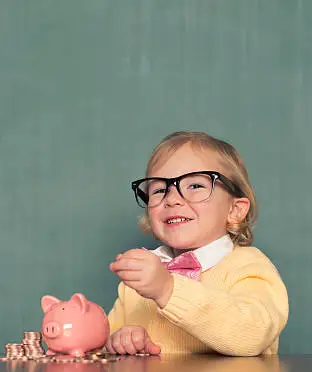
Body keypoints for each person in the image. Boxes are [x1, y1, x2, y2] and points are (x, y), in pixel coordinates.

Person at [105, 131, 289, 356]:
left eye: (195, 186)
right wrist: (119, 341)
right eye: (160, 190)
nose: (172, 199)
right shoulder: (138, 279)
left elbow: (253, 335)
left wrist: (168, 289)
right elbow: (104, 344)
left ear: (234, 210)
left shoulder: (249, 265)